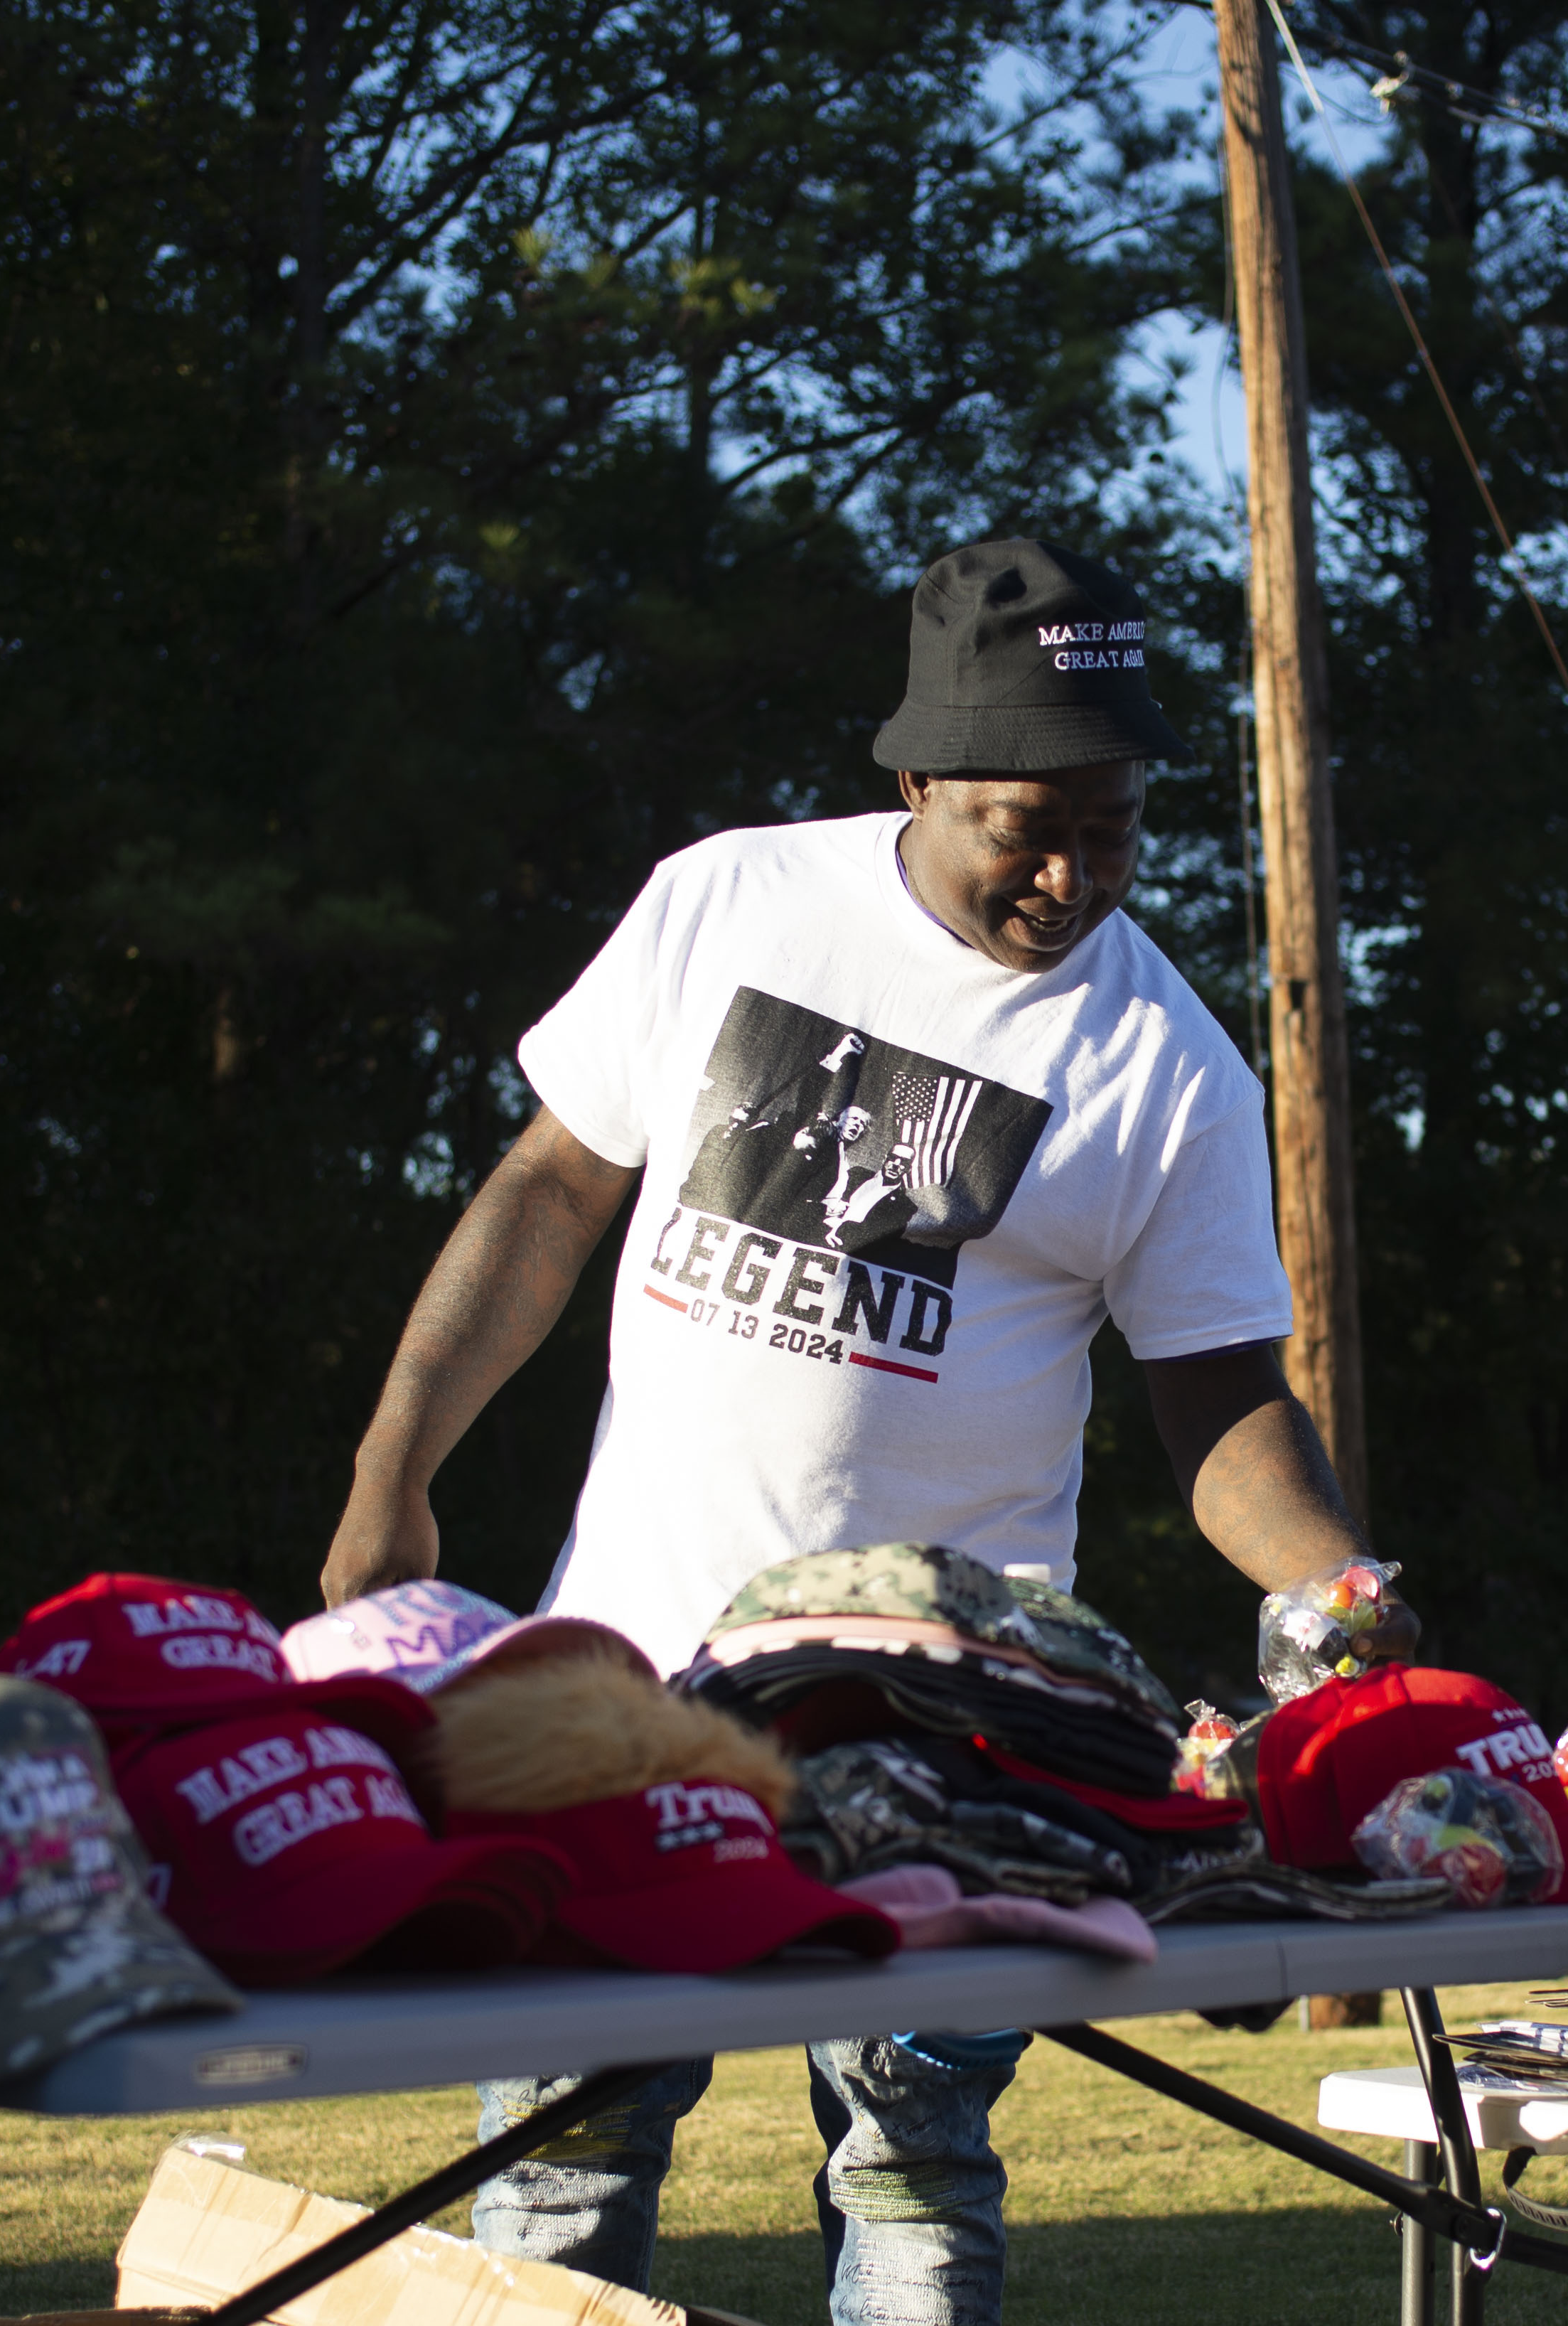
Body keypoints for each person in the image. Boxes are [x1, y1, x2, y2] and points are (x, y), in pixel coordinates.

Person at [321, 537, 1401, 2326]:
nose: (1070, 873)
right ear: (913, 781)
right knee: (566, 2150)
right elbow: (544, 1195)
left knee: (912, 2167)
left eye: (1117, 825)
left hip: (958, 1740)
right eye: (1022, 823)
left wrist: (1343, 1593)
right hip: (633, 1680)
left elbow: (1219, 1395)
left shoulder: (1167, 1065)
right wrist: (392, 1472)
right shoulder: (726, 905)